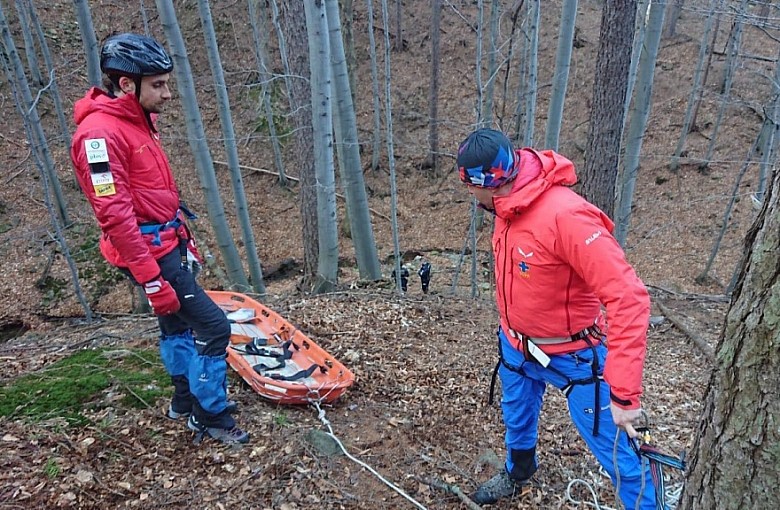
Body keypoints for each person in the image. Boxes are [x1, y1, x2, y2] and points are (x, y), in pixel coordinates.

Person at [456, 128, 657, 507]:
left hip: (575, 357)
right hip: (517, 347)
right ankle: (518, 473)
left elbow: (628, 297)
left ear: (489, 183)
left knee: (620, 457)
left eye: (470, 187)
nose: (470, 196)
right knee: (517, 420)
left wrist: (624, 394)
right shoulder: (505, 206)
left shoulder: (567, 216)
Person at [70, 33, 248, 444]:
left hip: (166, 242)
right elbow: (114, 215)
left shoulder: (132, 122)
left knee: (175, 326)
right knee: (215, 328)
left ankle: (184, 401)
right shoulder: (99, 137)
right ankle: (210, 416)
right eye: (159, 84)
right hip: (150, 252)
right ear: (126, 84)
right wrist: (152, 279)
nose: (168, 94)